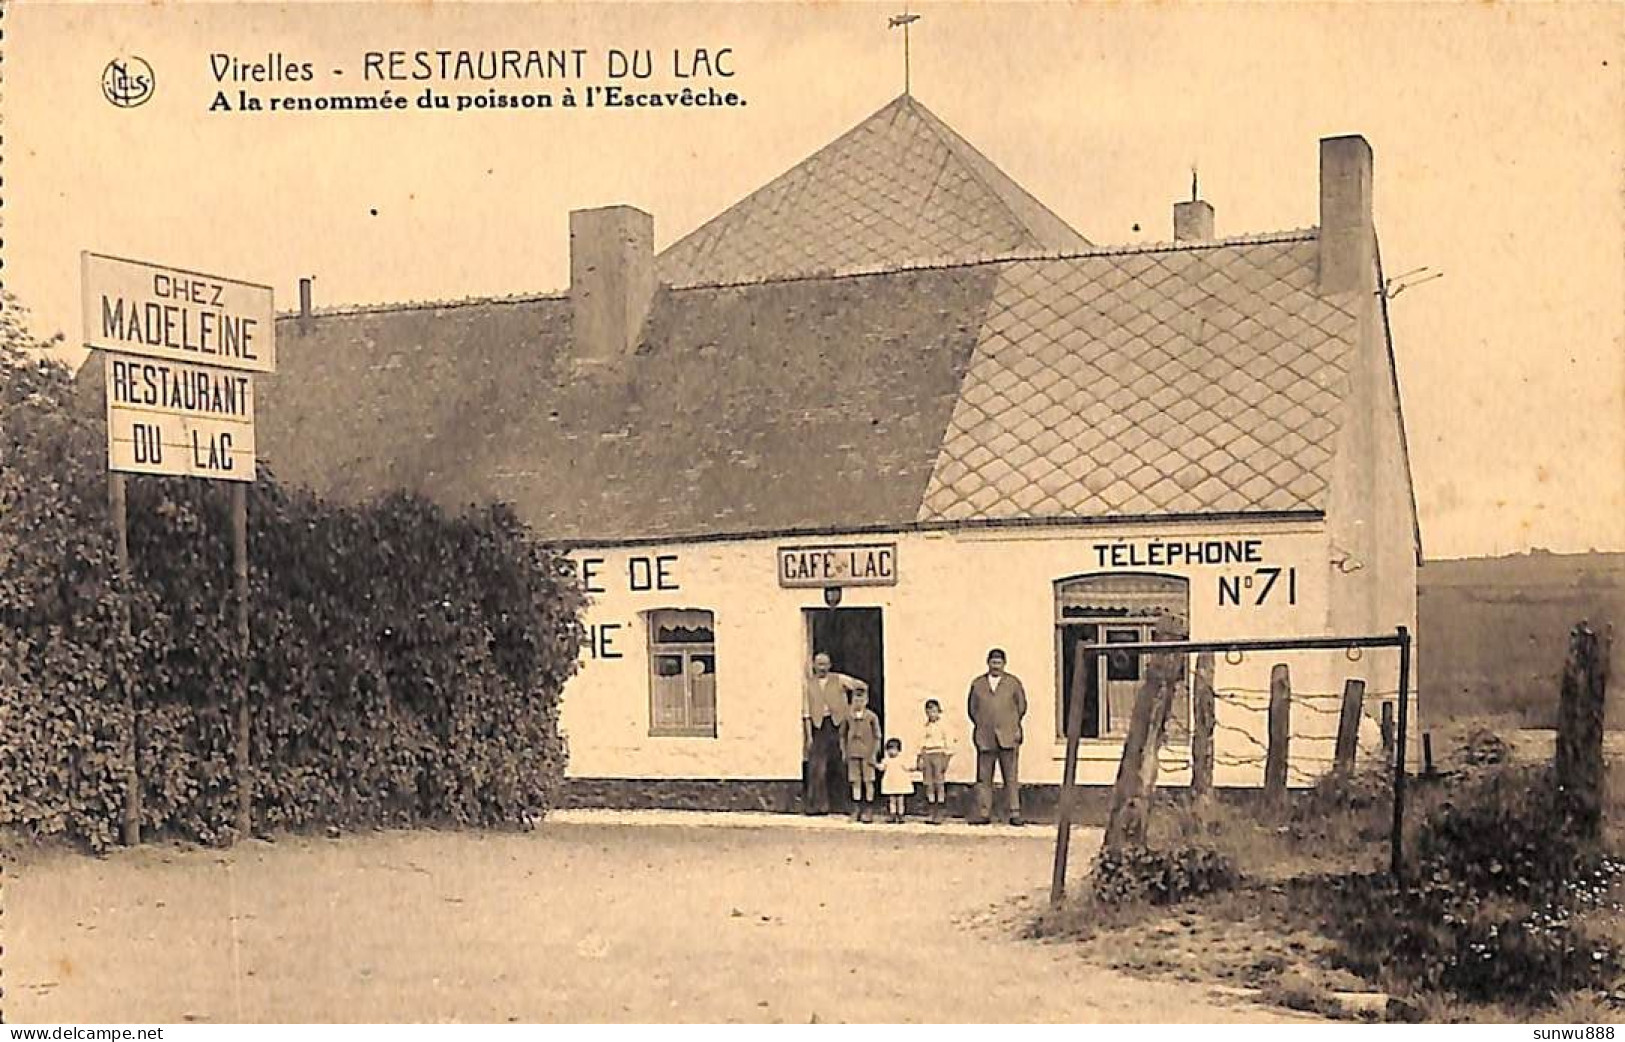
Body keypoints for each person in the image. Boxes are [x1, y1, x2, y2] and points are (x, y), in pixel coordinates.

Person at [966, 648, 1027, 826]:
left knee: (1011, 777)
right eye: (993, 662)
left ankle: (1014, 813)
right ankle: (984, 812)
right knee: (984, 777)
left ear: (1004, 664)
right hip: (985, 737)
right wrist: (983, 724)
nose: (996, 666)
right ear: (988, 663)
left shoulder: (1013, 683)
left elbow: (1021, 707)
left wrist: (1011, 724)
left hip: (1008, 736)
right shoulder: (978, 684)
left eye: (999, 663)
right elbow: (972, 709)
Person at [802, 652, 868, 815]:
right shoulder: (808, 685)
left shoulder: (839, 679)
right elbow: (806, 713)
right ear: (814, 666)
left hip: (838, 724)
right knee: (817, 768)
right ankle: (818, 806)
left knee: (841, 763)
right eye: (819, 664)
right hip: (819, 726)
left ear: (830, 665)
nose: (822, 668)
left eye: (825, 664)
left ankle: (844, 805)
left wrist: (855, 708)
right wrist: (808, 735)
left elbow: (861, 686)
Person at [840, 689, 884, 823]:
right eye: (855, 700)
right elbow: (842, 735)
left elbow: (877, 736)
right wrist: (844, 751)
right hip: (853, 753)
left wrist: (874, 753)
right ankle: (856, 809)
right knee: (855, 781)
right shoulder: (848, 716)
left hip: (867, 754)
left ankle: (868, 809)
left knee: (868, 781)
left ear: (866, 701)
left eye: (861, 700)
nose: (858, 703)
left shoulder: (871, 717)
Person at [917, 698, 956, 824]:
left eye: (934, 711)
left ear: (939, 711)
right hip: (927, 754)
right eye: (928, 712)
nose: (931, 714)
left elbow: (949, 742)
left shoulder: (944, 726)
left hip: (939, 754)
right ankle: (931, 810)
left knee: (939, 783)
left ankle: (940, 810)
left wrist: (946, 758)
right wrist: (920, 758)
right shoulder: (925, 727)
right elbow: (921, 743)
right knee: (929, 783)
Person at [879, 737, 916, 823]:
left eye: (893, 749)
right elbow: (882, 767)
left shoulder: (902, 759)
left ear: (898, 750)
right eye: (889, 750)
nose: (891, 752)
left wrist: (914, 766)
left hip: (900, 782)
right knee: (892, 799)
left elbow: (908, 767)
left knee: (900, 800)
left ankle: (901, 815)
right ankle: (892, 814)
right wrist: (875, 764)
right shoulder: (886, 760)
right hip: (891, 781)